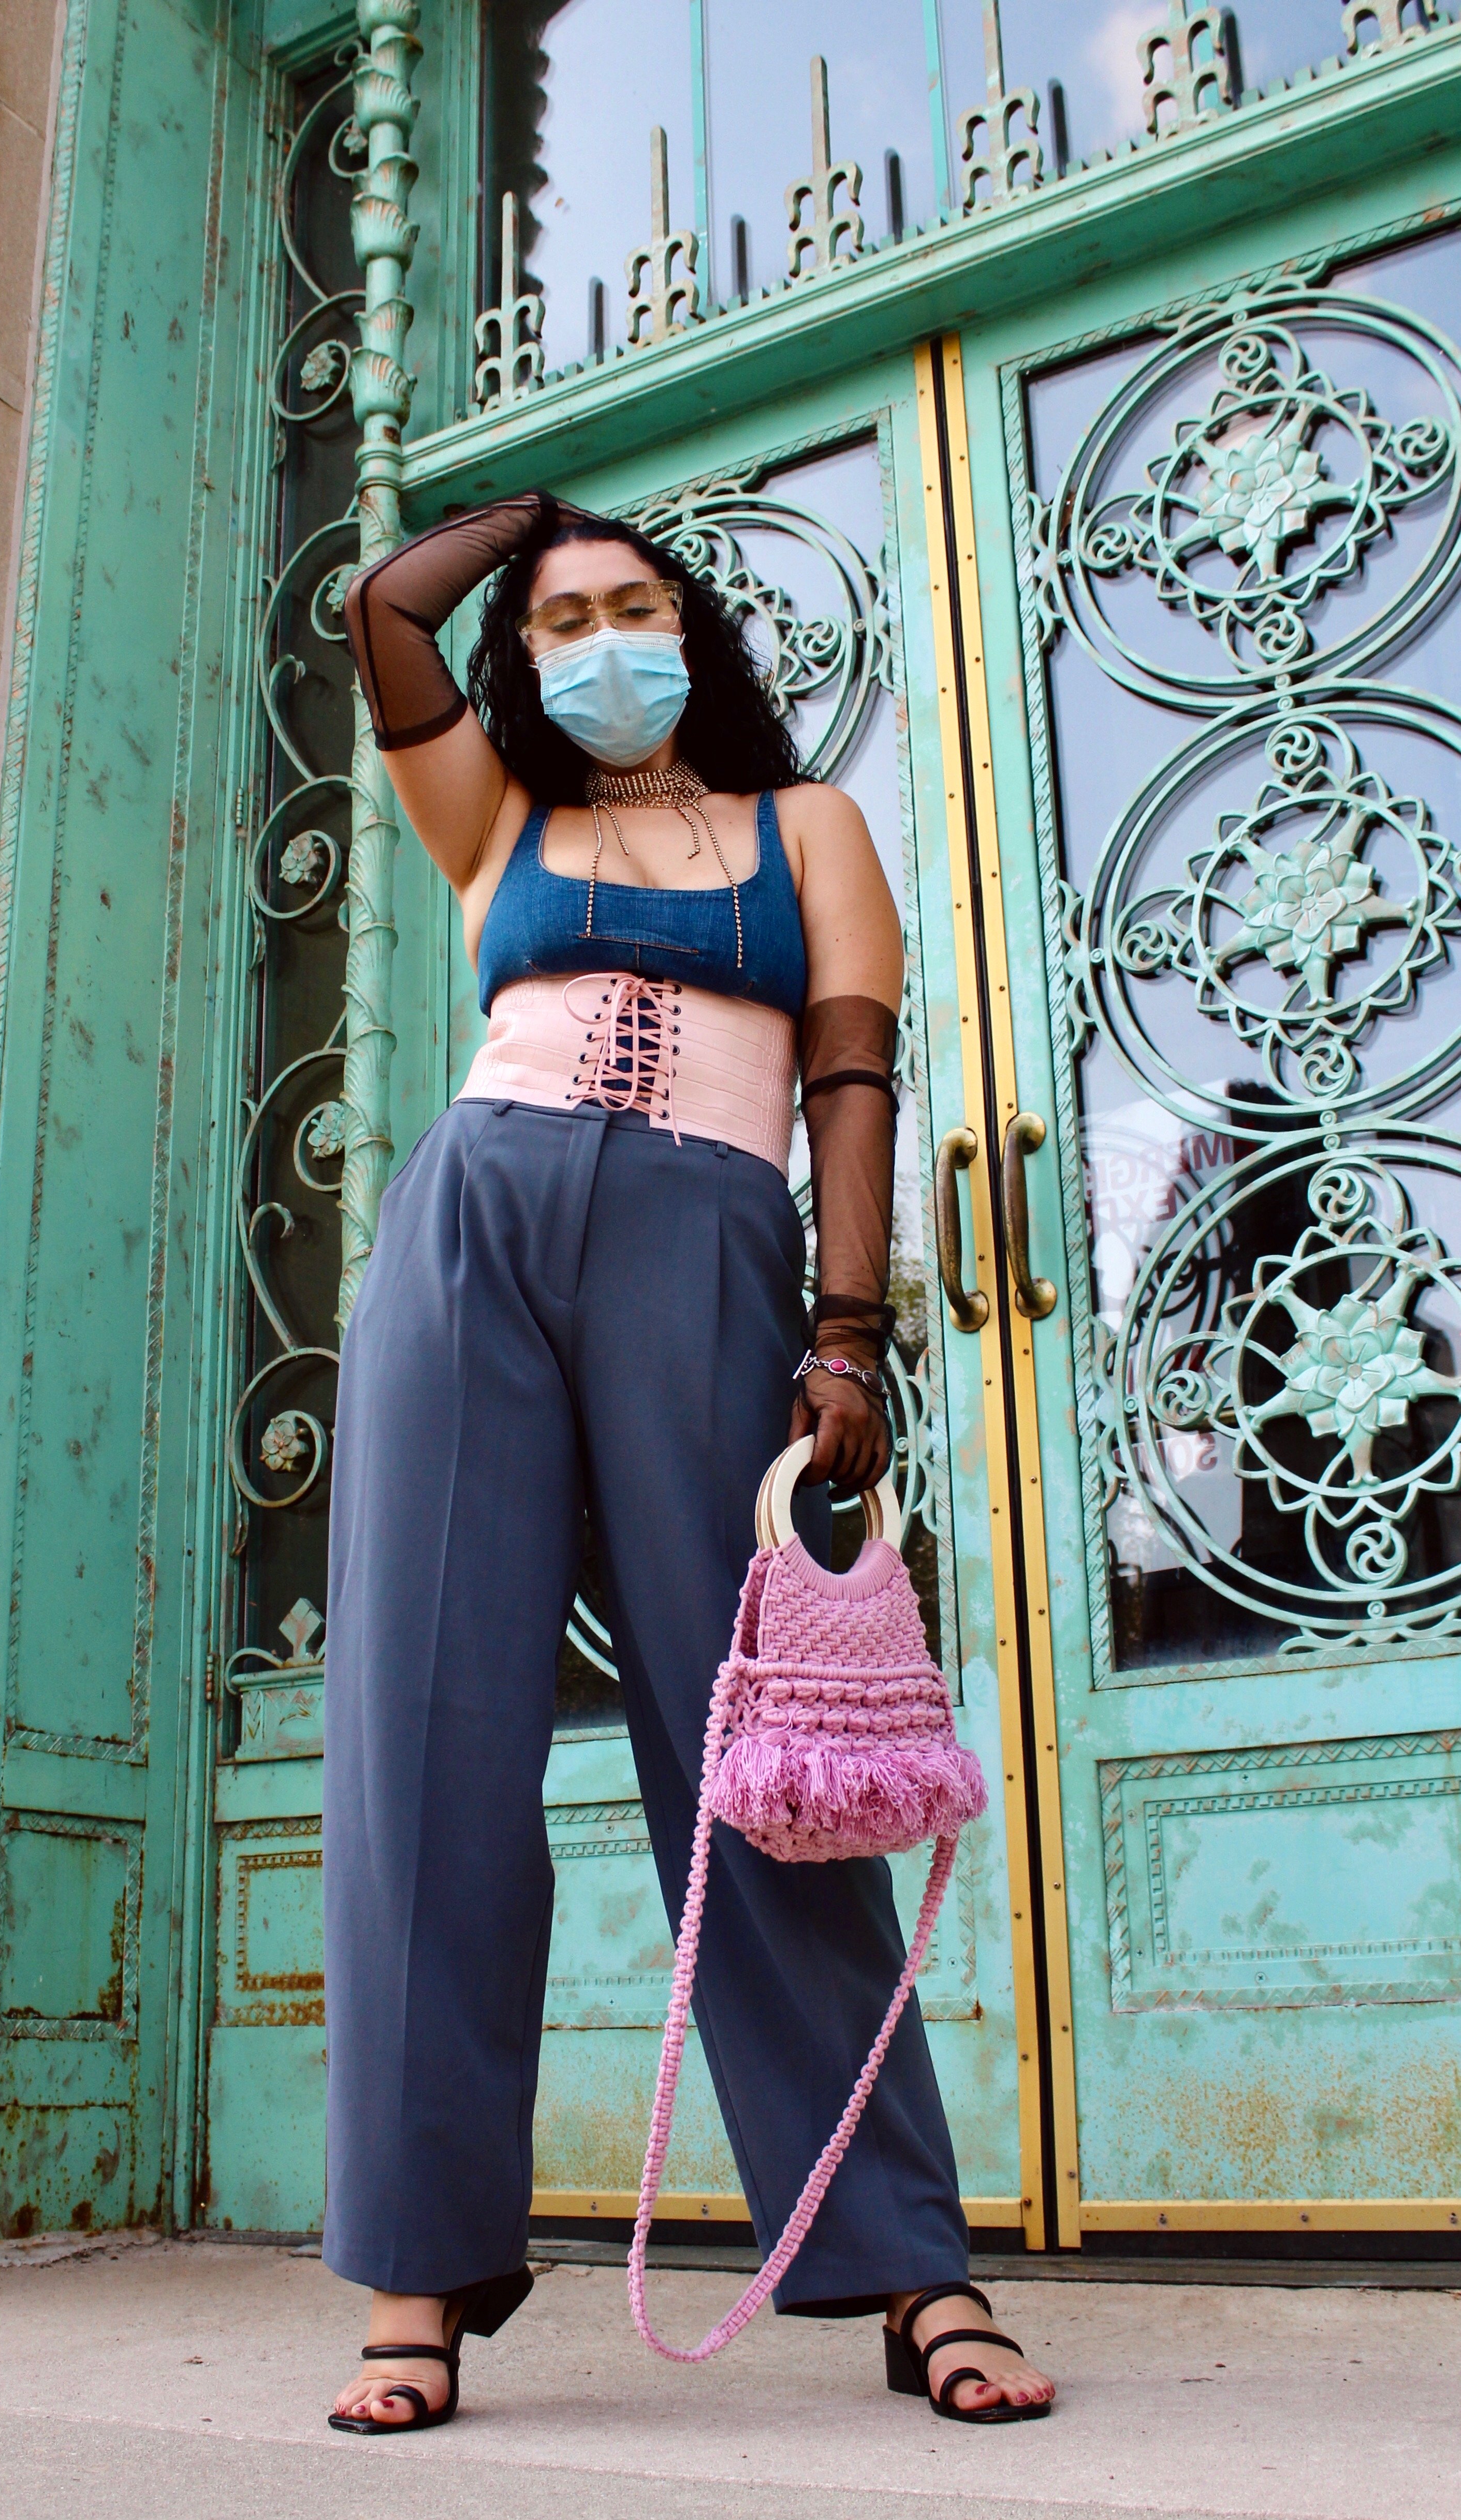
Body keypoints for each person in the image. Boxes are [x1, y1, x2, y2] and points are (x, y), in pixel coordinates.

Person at [322, 494, 1056, 2432]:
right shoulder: (494, 819)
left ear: (697, 629)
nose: (598, 638)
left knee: (761, 1758)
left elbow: (851, 1079)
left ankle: (910, 2261)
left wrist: (849, 1326)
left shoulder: (805, 827)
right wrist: (531, 525)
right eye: (565, 619)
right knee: (427, 1739)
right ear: (529, 657)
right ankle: (416, 2275)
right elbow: (384, 613)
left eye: (636, 605)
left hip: (709, 1249)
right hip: (470, 1235)